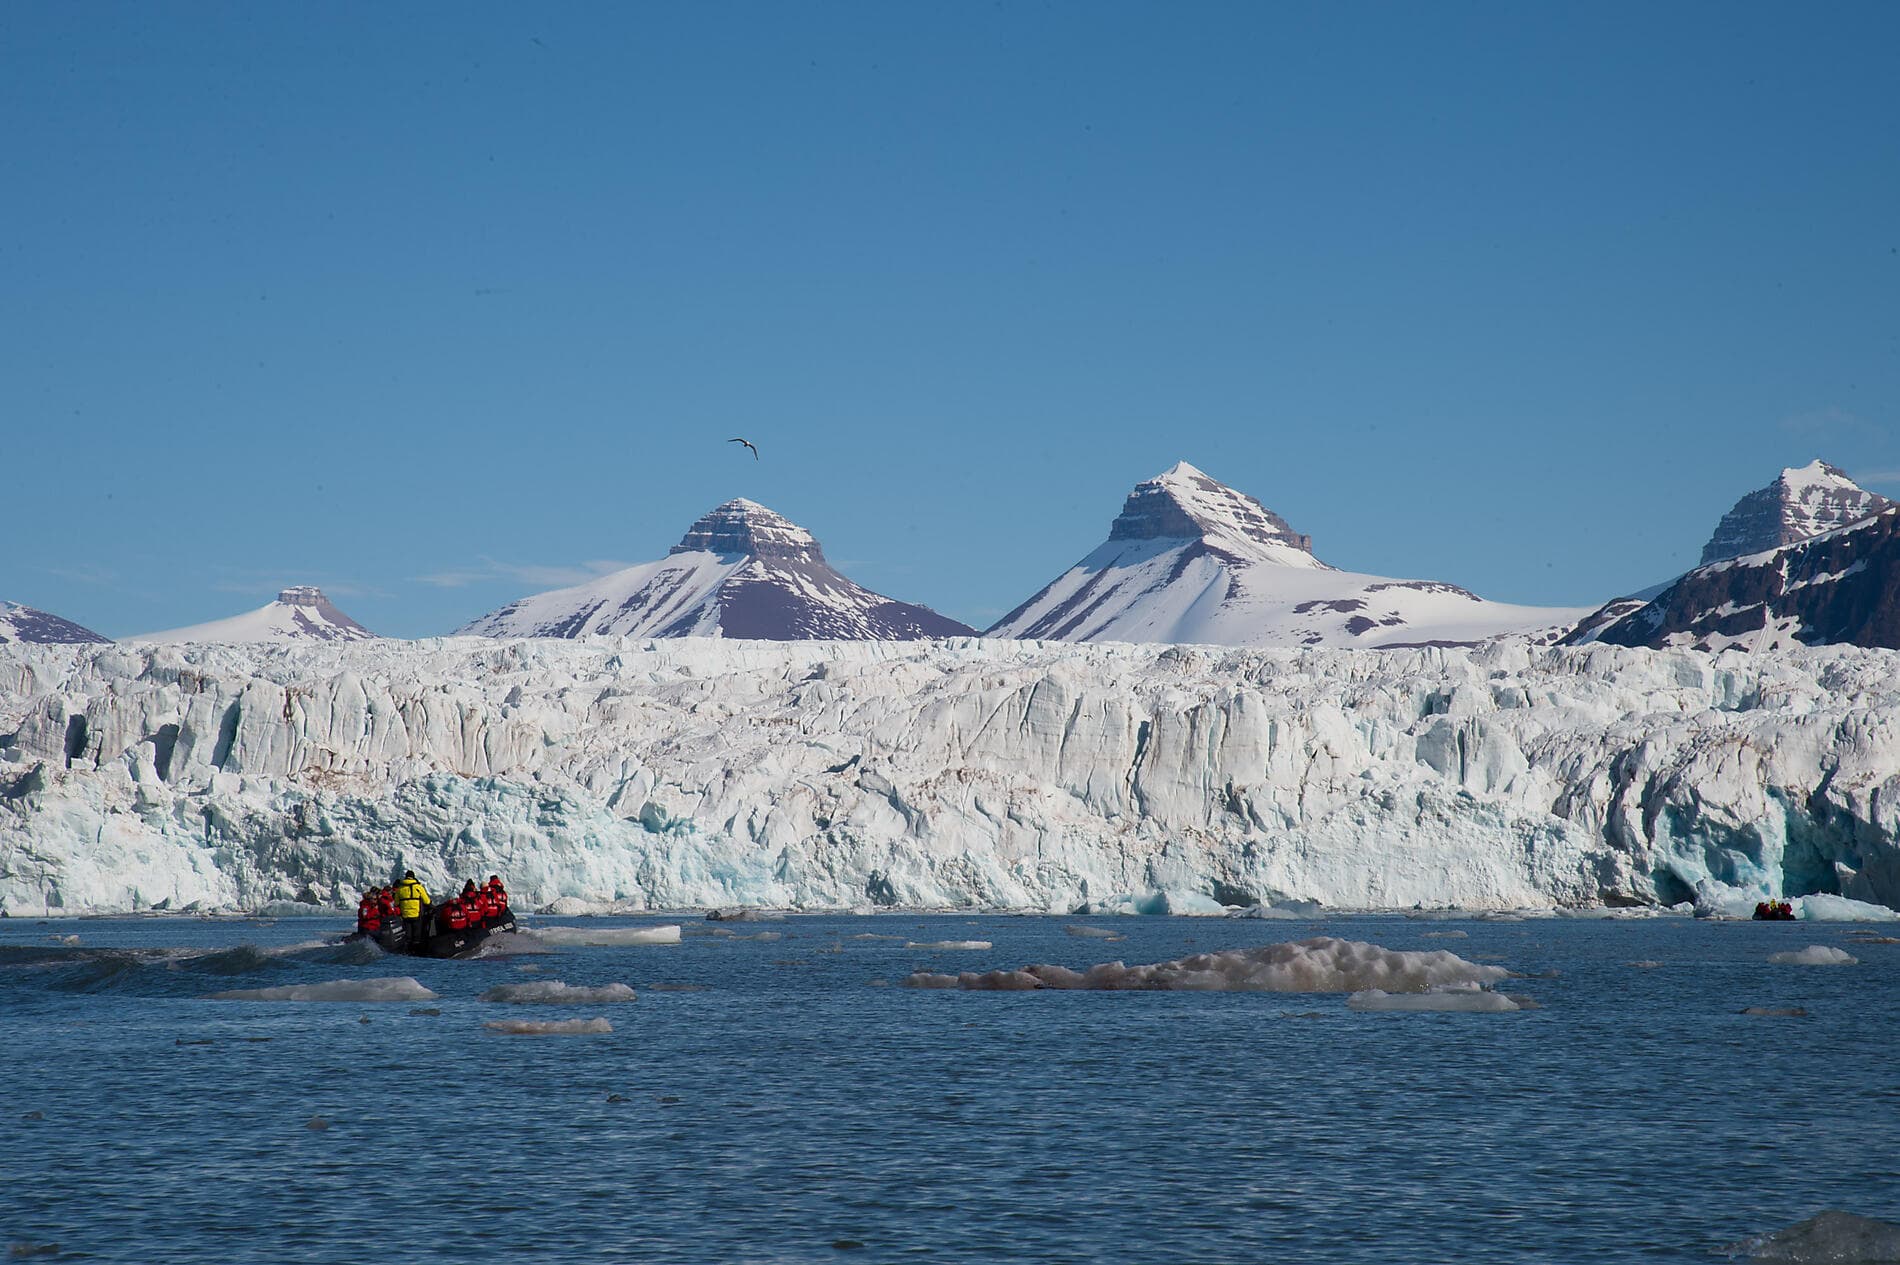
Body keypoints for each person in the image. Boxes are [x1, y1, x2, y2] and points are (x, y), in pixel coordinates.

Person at [395, 870, 430, 944]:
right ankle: (416, 947)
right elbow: (427, 901)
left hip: (405, 914)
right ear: (413, 877)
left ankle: (407, 948)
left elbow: (396, 903)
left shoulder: (400, 889)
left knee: (408, 933)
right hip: (416, 914)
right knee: (416, 933)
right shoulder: (418, 887)